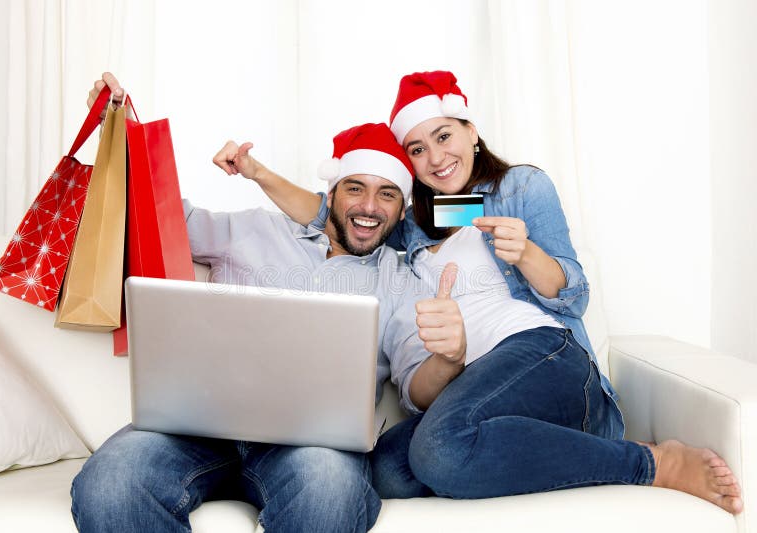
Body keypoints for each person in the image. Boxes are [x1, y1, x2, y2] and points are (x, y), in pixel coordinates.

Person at [247, 70, 744, 515]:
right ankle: (540, 448)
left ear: (471, 130)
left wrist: (525, 253)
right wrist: (258, 173)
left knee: (437, 450)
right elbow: (323, 211)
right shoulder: (420, 222)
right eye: (418, 149)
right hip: (477, 386)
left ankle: (651, 462)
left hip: (544, 354)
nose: (436, 157)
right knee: (382, 472)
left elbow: (574, 295)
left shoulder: (518, 188)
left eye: (443, 136)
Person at [71, 74, 434, 533]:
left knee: (329, 492)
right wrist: (119, 136)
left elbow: (417, 386)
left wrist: (450, 355)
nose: (369, 205)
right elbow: (151, 213)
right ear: (331, 195)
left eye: (387, 194)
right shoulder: (253, 229)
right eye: (355, 188)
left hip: (312, 447)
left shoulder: (402, 282)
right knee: (112, 483)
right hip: (195, 428)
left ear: (401, 212)